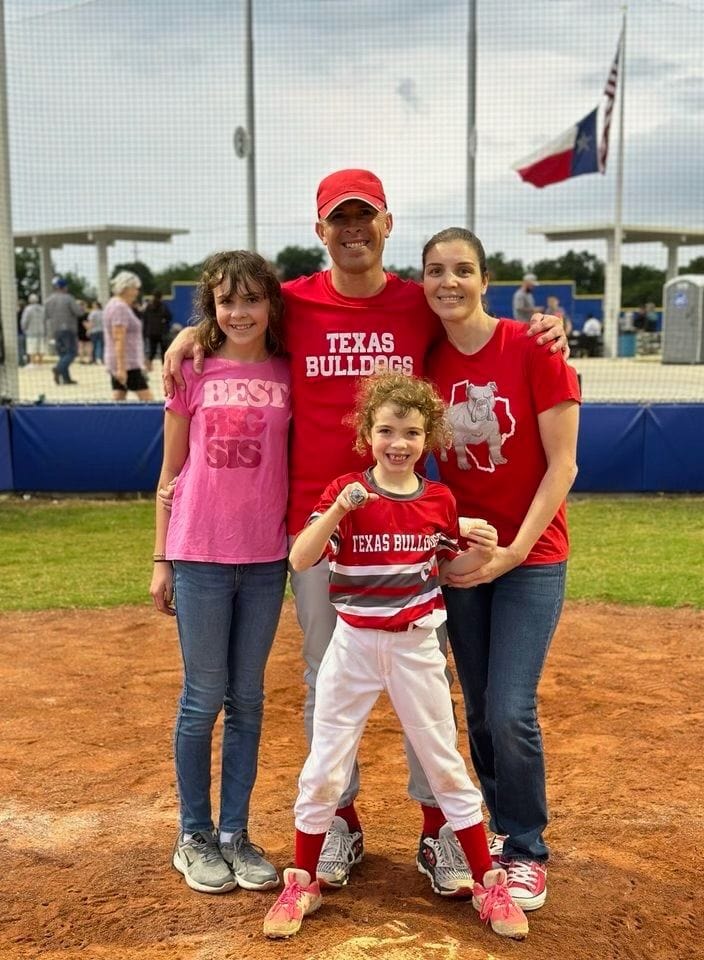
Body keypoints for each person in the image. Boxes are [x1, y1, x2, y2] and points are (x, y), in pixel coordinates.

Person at [163, 169, 568, 894]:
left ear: (387, 225)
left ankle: (438, 828)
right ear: (320, 231)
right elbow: (237, 316)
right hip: (320, 523)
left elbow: (475, 321)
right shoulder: (293, 303)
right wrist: (193, 332)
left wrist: (548, 326)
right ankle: (339, 821)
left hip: (410, 525)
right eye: (339, 219)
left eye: (365, 217)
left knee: (424, 678)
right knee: (326, 677)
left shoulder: (418, 303)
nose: (353, 230)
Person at [263, 372, 528, 942]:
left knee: (443, 762)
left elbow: (448, 570)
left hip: (414, 645)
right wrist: (338, 510)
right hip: (354, 644)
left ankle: (487, 881)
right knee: (325, 764)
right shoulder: (346, 490)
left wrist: (478, 551)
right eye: (386, 431)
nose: (398, 443)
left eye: (411, 433)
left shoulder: (438, 499)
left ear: (429, 438)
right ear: (367, 435)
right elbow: (301, 559)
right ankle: (302, 879)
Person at [423, 227, 581, 914]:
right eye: (435, 271)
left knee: (512, 708)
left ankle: (526, 848)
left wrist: (514, 551)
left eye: (463, 269)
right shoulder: (426, 360)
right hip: (464, 555)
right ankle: (493, 829)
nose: (449, 282)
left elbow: (563, 466)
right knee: (481, 709)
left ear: (486, 280)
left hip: (530, 557)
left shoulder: (533, 347)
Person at [149, 250, 291, 896]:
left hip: (265, 557)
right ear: (211, 306)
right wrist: (161, 558)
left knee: (248, 700)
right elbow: (170, 473)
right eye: (226, 301)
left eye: (251, 299)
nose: (239, 312)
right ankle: (194, 835)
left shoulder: (288, 370)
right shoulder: (192, 369)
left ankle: (234, 832)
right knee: (203, 697)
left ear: (270, 304)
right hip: (200, 551)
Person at [103, 271, 153, 401]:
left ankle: (110, 415)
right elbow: (118, 337)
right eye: (135, 288)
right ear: (125, 288)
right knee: (148, 400)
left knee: (119, 396)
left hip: (123, 361)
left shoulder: (115, 305)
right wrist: (121, 367)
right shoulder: (119, 307)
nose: (137, 292)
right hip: (127, 363)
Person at [45, 276, 85, 384]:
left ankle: (66, 378)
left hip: (55, 329)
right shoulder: (68, 298)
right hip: (68, 328)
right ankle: (58, 368)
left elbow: (46, 315)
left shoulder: (48, 300)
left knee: (62, 354)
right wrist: (82, 308)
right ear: (64, 287)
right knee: (72, 352)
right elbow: (78, 312)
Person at [144, 289, 173, 370]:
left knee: (152, 350)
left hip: (151, 332)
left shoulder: (149, 306)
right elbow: (169, 317)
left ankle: (149, 365)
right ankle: (164, 367)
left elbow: (145, 318)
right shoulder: (163, 306)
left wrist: (146, 330)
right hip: (161, 332)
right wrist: (164, 321)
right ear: (161, 297)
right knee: (164, 350)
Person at [20, 294, 47, 367]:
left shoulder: (28, 309)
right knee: (41, 347)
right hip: (41, 331)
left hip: (31, 331)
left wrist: (24, 328)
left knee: (31, 348)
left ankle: (32, 363)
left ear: (29, 300)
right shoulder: (42, 309)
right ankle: (40, 363)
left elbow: (24, 320)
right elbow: (45, 320)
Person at [86, 300, 104, 364]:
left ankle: (94, 359)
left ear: (96, 306)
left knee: (93, 345)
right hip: (102, 330)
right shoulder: (103, 312)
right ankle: (102, 359)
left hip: (94, 331)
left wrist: (88, 330)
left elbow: (91, 322)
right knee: (102, 345)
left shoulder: (92, 313)